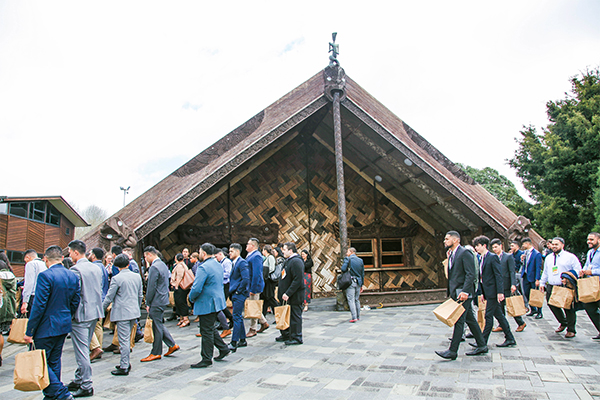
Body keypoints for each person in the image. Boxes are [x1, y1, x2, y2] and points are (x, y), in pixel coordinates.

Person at [24, 245, 81, 400]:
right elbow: (76, 300)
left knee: (41, 360)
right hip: (63, 323)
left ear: (45, 259)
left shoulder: (45, 276)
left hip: (46, 325)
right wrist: (67, 315)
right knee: (54, 361)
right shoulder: (72, 276)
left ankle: (61, 393)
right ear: (62, 258)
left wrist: (30, 330)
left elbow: (38, 305)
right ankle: (51, 395)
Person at [435, 231, 487, 360]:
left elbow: (471, 274)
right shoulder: (452, 254)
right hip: (456, 292)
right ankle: (482, 345)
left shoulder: (465, 253)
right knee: (470, 319)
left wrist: (465, 291)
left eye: (447, 239)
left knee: (459, 320)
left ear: (456, 240)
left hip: (463, 293)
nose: (445, 241)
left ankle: (453, 351)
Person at [66, 240, 104, 398]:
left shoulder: (75, 269)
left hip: (81, 314)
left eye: (69, 252)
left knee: (81, 351)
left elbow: (74, 293)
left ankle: (86, 384)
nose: (69, 255)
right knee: (84, 345)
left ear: (76, 252)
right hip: (94, 312)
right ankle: (79, 378)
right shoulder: (96, 268)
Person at [188, 243, 230, 368]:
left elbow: (197, 287)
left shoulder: (203, 267)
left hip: (207, 302)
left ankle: (206, 358)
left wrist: (191, 297)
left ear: (204, 253)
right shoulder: (218, 264)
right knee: (210, 327)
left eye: (200, 252)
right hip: (217, 300)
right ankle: (223, 348)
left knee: (206, 330)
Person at [102, 254, 143, 376]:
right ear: (128, 264)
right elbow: (140, 295)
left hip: (122, 312)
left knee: (123, 340)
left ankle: (125, 365)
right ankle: (125, 362)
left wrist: (102, 309)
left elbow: (109, 297)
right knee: (127, 338)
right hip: (133, 311)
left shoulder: (116, 279)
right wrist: (137, 306)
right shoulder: (137, 277)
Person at [474, 236, 517, 348]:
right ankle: (510, 338)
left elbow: (498, 275)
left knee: (488, 316)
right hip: (487, 291)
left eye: (478, 245)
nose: (476, 248)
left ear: (484, 245)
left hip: (493, 292)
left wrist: (500, 292)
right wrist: (482, 292)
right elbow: (482, 277)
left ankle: (482, 342)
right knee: (499, 315)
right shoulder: (481, 258)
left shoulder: (492, 257)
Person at [142, 246, 179, 362]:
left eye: (145, 257)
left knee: (156, 326)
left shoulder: (154, 267)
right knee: (158, 323)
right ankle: (171, 344)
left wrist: (148, 302)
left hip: (156, 299)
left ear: (149, 254)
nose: (145, 259)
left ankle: (156, 352)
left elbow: (151, 287)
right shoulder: (162, 265)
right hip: (163, 297)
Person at [539, 237, 582, 338]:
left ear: (562, 245)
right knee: (551, 303)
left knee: (568, 307)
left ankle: (571, 329)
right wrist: (542, 283)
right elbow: (545, 271)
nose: (554, 246)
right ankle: (563, 322)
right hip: (551, 285)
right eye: (553, 244)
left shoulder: (570, 257)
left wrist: (569, 278)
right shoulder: (549, 257)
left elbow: (578, 270)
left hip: (565, 285)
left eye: (556, 244)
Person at [490, 239, 526, 332]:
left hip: (507, 284)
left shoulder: (508, 257)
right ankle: (502, 324)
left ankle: (521, 322)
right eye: (493, 247)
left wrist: (513, 284)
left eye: (496, 247)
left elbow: (511, 271)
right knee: (499, 306)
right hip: (498, 285)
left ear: (501, 246)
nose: (495, 249)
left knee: (511, 305)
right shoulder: (493, 257)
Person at [276, 242, 304, 345]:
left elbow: (298, 280)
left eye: (284, 249)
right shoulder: (288, 261)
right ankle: (287, 334)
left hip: (294, 295)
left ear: (290, 250)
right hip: (286, 295)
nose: (282, 251)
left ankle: (296, 337)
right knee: (287, 315)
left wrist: (288, 293)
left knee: (294, 316)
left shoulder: (296, 261)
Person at [87, 247, 109, 361]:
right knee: (98, 325)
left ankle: (95, 347)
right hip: (102, 299)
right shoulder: (103, 268)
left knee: (89, 325)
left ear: (94, 256)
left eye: (90, 253)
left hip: (94, 300)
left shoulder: (94, 268)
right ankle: (98, 347)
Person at [227, 243, 249, 352]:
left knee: (236, 316)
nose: (229, 253)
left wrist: (238, 291)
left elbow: (246, 279)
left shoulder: (242, 263)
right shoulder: (234, 263)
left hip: (239, 294)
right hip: (235, 293)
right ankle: (242, 339)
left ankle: (234, 342)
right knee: (238, 316)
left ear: (237, 251)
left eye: (231, 251)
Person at [246, 238, 268, 337]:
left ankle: (253, 328)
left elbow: (256, 274)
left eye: (248, 244)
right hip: (250, 285)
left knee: (253, 306)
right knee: (253, 305)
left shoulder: (256, 256)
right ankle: (264, 322)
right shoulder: (251, 255)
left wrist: (253, 289)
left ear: (253, 246)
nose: (246, 246)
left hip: (254, 286)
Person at [580, 232, 600, 339]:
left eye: (592, 239)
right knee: (589, 307)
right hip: (590, 285)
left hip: (598, 283)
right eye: (588, 239)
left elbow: (592, 269)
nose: (589, 241)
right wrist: (583, 270)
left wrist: (592, 272)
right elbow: (587, 265)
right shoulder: (590, 252)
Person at [21, 249, 48, 316]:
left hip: (33, 297)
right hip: (44, 296)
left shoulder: (31, 264)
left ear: (28, 257)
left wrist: (25, 301)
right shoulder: (45, 264)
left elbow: (29, 283)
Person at [341, 247, 364, 322]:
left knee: (351, 299)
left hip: (351, 281)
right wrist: (362, 284)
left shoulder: (348, 259)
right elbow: (362, 273)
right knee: (356, 299)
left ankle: (354, 317)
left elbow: (343, 269)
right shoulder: (360, 260)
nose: (346, 253)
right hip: (358, 281)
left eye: (347, 252)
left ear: (351, 252)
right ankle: (358, 316)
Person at [521, 238, 543, 318]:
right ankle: (533, 309)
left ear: (528, 244)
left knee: (536, 294)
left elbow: (538, 267)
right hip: (526, 275)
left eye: (523, 244)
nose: (523, 246)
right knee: (527, 293)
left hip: (533, 276)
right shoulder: (525, 253)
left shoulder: (536, 254)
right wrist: (522, 260)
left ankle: (539, 311)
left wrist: (538, 279)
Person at [215, 248, 233, 338]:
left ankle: (229, 319)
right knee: (222, 304)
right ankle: (226, 321)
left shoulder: (226, 262)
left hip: (227, 284)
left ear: (220, 254)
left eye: (216, 256)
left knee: (222, 304)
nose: (216, 258)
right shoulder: (221, 262)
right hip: (223, 284)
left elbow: (229, 273)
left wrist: (219, 275)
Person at [170, 253, 190, 327]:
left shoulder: (180, 266)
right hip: (180, 287)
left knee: (181, 302)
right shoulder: (181, 264)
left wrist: (176, 285)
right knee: (178, 302)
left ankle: (185, 319)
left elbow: (180, 276)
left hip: (180, 287)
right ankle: (182, 318)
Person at [0, 258, 16, 337]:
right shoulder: (12, 276)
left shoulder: (0, 278)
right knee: (1, 334)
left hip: (1, 310)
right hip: (10, 310)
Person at [262, 245, 278, 316]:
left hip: (269, 280)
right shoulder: (267, 258)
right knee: (266, 298)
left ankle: (279, 313)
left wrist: (266, 273)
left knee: (270, 297)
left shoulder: (270, 257)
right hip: (267, 280)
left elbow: (272, 268)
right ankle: (263, 315)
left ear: (265, 250)